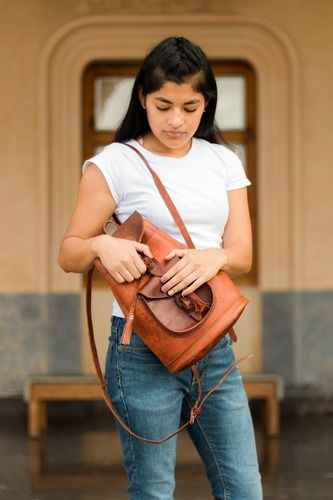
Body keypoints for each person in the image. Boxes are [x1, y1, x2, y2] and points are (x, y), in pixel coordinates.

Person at [58, 36, 262, 500]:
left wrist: (217, 257)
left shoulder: (223, 162)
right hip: (138, 351)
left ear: (206, 104)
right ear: (142, 99)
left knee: (244, 489)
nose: (176, 120)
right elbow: (68, 254)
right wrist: (99, 246)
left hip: (212, 345)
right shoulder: (115, 164)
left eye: (190, 107)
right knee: (152, 492)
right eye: (164, 104)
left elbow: (243, 255)